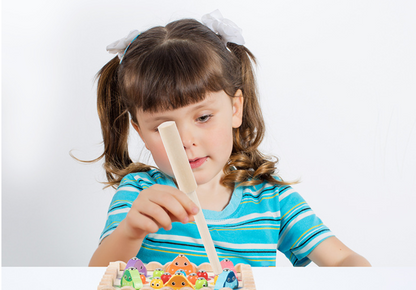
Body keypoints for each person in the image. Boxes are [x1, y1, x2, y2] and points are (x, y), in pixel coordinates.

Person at [89, 11, 370, 268]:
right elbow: (97, 275)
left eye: (203, 118)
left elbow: (342, 259)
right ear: (141, 133)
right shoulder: (140, 194)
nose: (186, 140)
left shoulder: (272, 201)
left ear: (235, 109)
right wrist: (130, 230)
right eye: (164, 128)